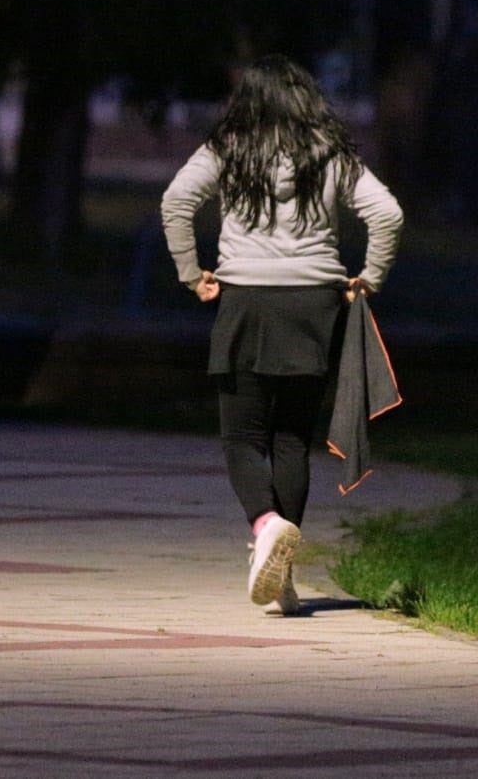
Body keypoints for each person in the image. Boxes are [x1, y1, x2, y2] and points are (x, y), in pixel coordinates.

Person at [160, 55, 403, 614]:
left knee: (243, 439)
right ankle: (283, 580)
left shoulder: (229, 147)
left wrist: (191, 274)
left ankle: (266, 525)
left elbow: (176, 201)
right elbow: (386, 214)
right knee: (292, 440)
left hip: (245, 302)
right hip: (315, 307)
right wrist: (369, 277)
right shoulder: (330, 154)